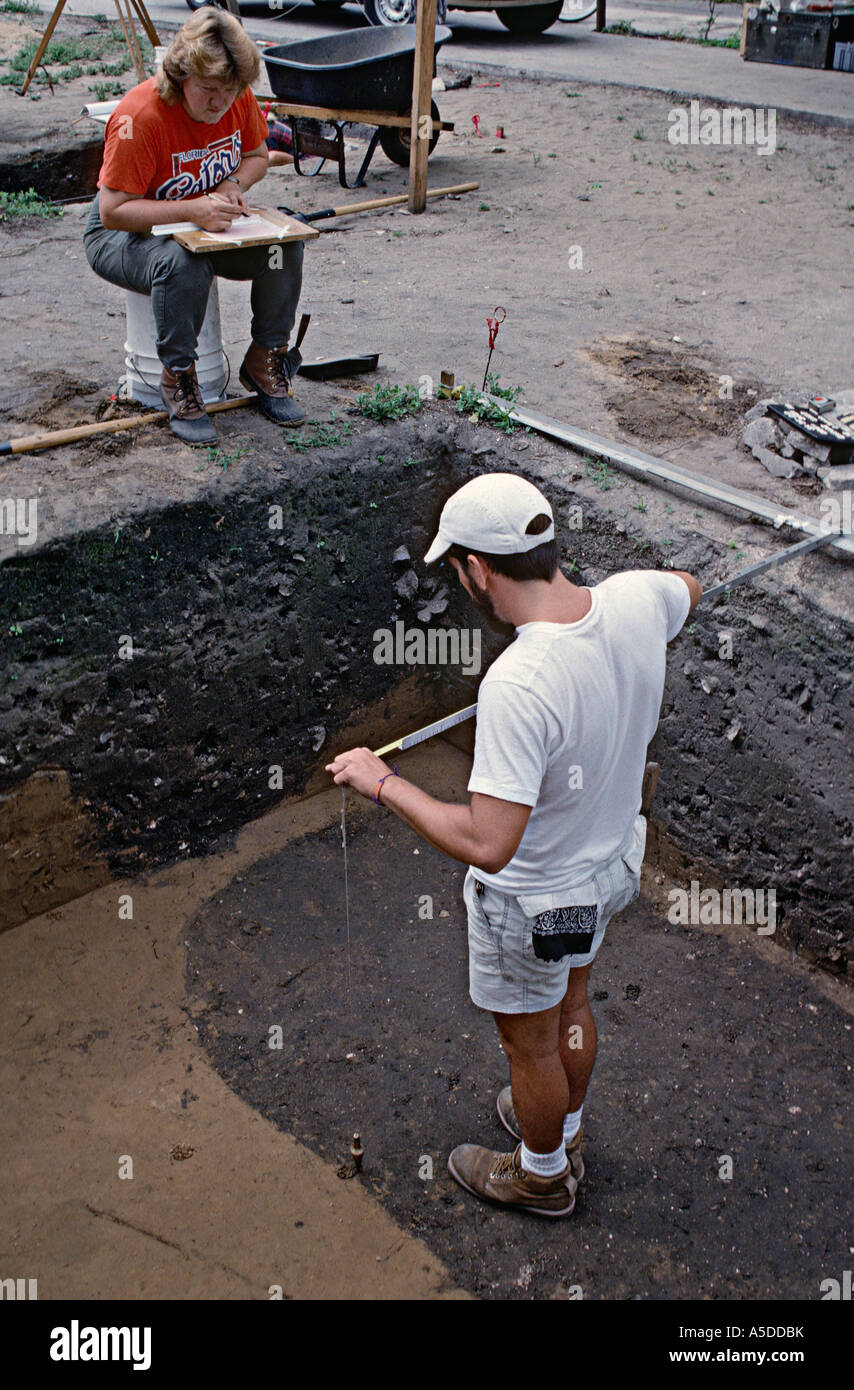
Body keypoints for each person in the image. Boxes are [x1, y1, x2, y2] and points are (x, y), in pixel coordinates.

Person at [326, 472, 702, 1218]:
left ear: (477, 569)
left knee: (530, 1044)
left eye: (459, 568)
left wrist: (382, 784)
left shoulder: (518, 683)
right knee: (570, 1001)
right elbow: (688, 585)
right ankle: (563, 1129)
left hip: (537, 902)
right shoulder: (637, 598)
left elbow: (489, 842)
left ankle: (540, 1176)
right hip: (608, 870)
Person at [83, 10, 305, 446]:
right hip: (122, 233)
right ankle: (180, 379)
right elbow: (113, 210)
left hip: (201, 218)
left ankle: (264, 360)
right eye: (208, 90)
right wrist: (192, 210)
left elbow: (257, 155)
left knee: (285, 247)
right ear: (180, 75)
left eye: (230, 91)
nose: (221, 103)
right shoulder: (140, 116)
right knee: (184, 263)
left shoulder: (233, 95)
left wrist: (231, 184)